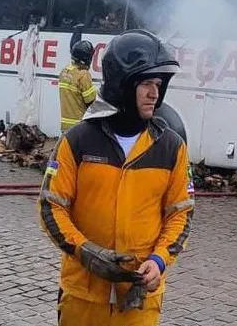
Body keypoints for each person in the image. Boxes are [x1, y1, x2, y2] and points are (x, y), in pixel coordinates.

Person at [39, 29, 195, 326]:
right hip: (83, 297)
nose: (155, 93)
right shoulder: (78, 141)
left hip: (139, 300)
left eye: (159, 84)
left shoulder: (171, 147)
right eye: (146, 83)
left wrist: (159, 261)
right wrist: (83, 251)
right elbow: (51, 206)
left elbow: (181, 213)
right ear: (124, 85)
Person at [58, 40, 97, 132]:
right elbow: (91, 102)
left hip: (66, 127)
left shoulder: (64, 72)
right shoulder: (83, 75)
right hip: (80, 126)